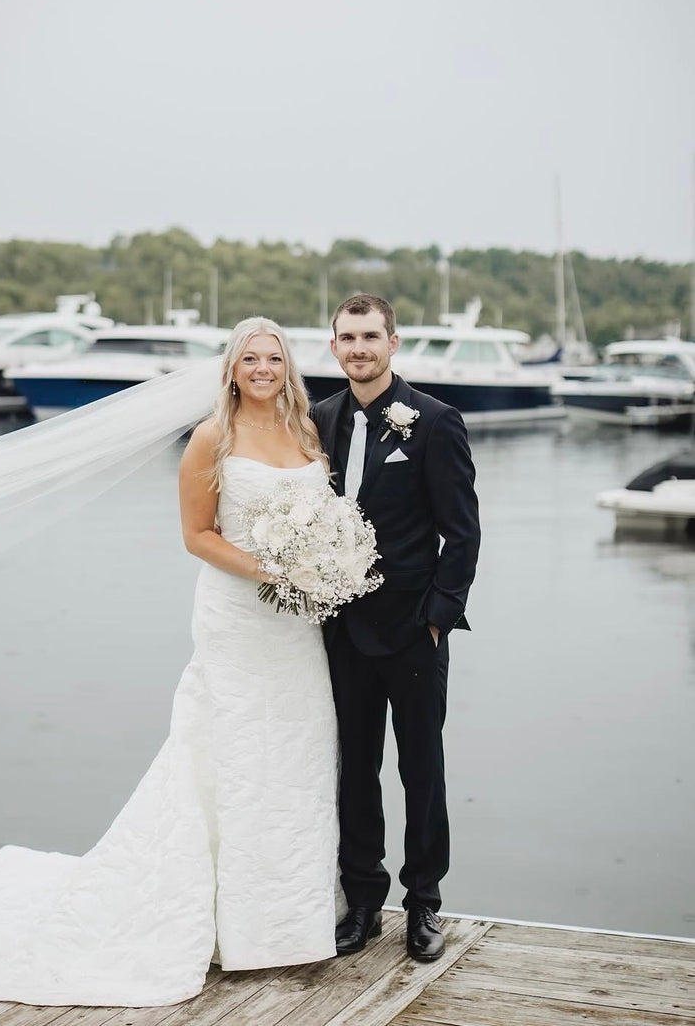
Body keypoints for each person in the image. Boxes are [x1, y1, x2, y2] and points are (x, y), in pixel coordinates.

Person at [0, 317, 339, 1007]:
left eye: (273, 356)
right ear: (231, 366)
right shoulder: (212, 437)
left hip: (296, 630)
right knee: (234, 755)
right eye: (250, 356)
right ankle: (233, 922)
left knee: (298, 752)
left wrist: (323, 567)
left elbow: (324, 520)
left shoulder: (306, 434)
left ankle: (288, 918)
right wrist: (273, 570)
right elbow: (196, 535)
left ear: (288, 365)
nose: (262, 367)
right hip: (239, 618)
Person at [312, 294, 480, 964]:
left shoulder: (435, 422)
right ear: (333, 347)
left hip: (413, 632)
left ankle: (424, 904)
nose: (359, 347)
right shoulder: (317, 418)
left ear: (393, 342)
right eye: (348, 337)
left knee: (422, 771)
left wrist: (438, 620)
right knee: (355, 769)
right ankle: (362, 902)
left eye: (370, 335)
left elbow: (462, 534)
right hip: (340, 632)